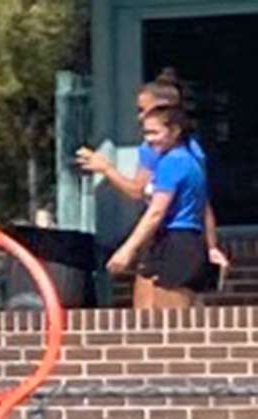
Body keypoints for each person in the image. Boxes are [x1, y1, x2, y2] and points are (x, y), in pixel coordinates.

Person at [75, 71, 228, 306]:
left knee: (170, 319)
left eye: (143, 109)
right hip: (161, 237)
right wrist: (211, 245)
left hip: (175, 236)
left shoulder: (172, 156)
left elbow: (147, 199)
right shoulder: (181, 152)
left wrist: (106, 169)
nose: (140, 118)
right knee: (147, 314)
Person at [104, 105, 216, 309]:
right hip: (186, 242)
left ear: (175, 131)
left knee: (171, 324)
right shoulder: (192, 159)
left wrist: (127, 249)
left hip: (176, 243)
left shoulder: (172, 163)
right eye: (146, 132)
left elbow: (156, 212)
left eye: (155, 132)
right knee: (165, 317)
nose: (149, 139)